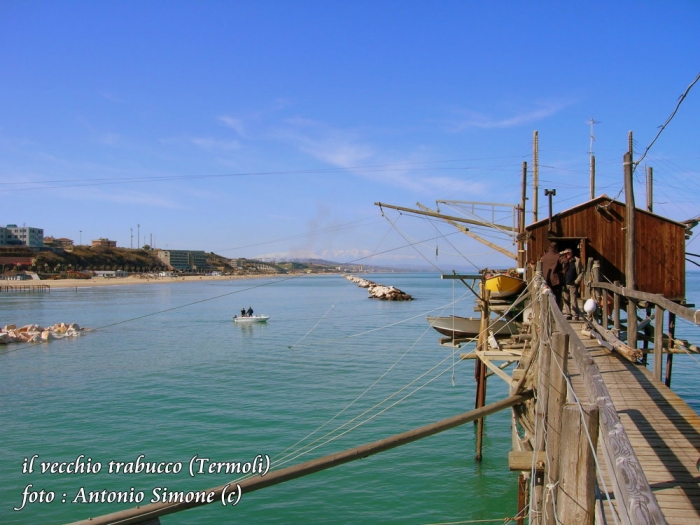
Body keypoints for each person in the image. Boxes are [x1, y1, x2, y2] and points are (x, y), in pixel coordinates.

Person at [561, 248, 583, 320]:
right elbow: (558, 255)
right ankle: (568, 314)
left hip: (573, 283)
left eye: (568, 253)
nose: (567, 255)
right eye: (566, 253)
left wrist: (577, 281)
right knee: (565, 299)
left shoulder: (576, 261)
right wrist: (563, 252)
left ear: (571, 253)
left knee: (573, 300)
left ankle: (575, 314)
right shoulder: (563, 261)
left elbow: (582, 272)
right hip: (565, 283)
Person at [540, 241, 563, 308]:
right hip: (555, 280)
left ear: (549, 247)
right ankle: (557, 313)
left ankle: (548, 311)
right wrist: (563, 271)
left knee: (546, 297)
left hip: (545, 280)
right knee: (556, 297)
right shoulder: (557, 256)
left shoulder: (544, 257)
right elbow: (565, 261)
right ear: (556, 248)